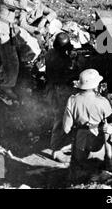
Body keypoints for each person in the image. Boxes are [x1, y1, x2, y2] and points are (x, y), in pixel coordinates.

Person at [62, 69, 112, 182]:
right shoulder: (102, 101)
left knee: (81, 168)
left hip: (80, 139)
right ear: (96, 85)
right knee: (98, 167)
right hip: (98, 140)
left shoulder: (72, 100)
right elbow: (111, 118)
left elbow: (66, 128)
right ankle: (108, 167)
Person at [46, 32, 75, 162]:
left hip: (52, 88)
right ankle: (57, 150)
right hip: (61, 90)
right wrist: (74, 62)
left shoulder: (50, 53)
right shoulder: (62, 59)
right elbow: (69, 75)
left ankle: (61, 144)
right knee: (61, 118)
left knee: (60, 117)